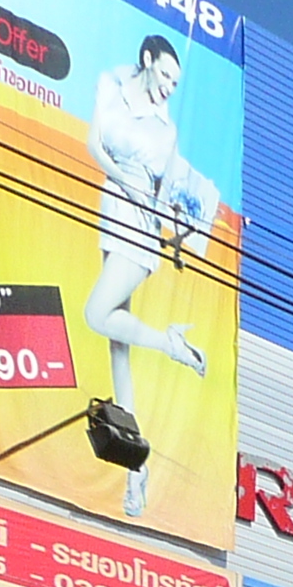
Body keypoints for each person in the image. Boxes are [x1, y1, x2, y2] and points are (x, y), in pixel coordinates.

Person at [85, 35, 219, 516]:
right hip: (112, 209)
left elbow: (166, 197)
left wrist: (178, 226)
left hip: (139, 226)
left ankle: (170, 344)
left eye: (177, 83)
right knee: (118, 356)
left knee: (96, 314)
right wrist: (121, 181)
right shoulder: (112, 84)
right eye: (165, 76)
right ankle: (135, 473)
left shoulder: (166, 133)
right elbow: (94, 144)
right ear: (147, 61)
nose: (169, 89)